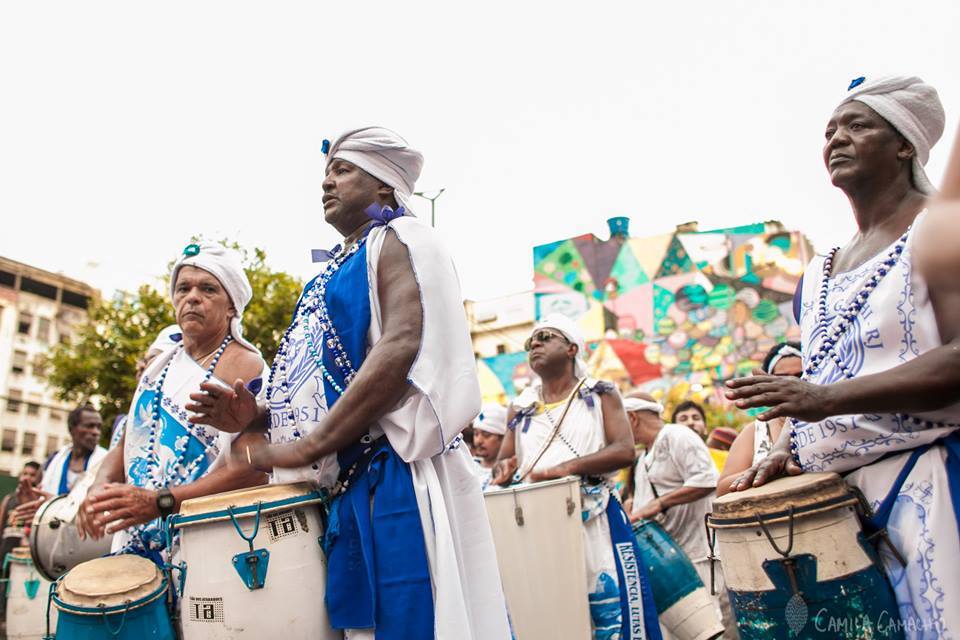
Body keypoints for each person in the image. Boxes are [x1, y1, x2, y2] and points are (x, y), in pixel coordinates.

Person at [188, 127, 512, 639]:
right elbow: (311, 385)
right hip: (346, 489)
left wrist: (311, 445)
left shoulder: (405, 238)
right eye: (325, 173)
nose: (326, 184)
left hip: (396, 478)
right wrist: (256, 417)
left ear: (384, 187)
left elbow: (402, 344)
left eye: (342, 171)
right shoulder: (325, 274)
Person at [725, 75, 959, 636]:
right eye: (830, 130)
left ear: (905, 144)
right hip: (836, 506)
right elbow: (829, 366)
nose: (836, 139)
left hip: (934, 487)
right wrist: (785, 444)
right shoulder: (819, 270)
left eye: (858, 125)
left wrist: (824, 399)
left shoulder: (943, 229)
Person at [76, 244, 268, 565]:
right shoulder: (160, 365)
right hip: (136, 536)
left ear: (232, 306)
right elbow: (126, 445)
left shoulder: (246, 365)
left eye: (208, 289)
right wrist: (98, 489)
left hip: (203, 545)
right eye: (183, 288)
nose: (192, 297)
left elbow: (253, 470)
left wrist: (160, 503)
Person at [492, 315, 662, 640]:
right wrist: (504, 470)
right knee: (547, 614)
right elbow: (504, 462)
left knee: (611, 614)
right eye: (531, 342)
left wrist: (565, 469)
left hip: (594, 520)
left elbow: (625, 450)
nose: (535, 344)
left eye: (545, 337)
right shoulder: (521, 406)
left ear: (571, 349)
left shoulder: (601, 393)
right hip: (538, 524)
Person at [625, 392, 736, 637]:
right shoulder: (643, 456)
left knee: (714, 628)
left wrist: (658, 505)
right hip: (675, 563)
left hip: (700, 556)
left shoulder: (675, 434)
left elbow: (707, 480)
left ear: (632, 418)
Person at [716, 342, 801, 496]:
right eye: (782, 378)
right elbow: (722, 489)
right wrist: (768, 470)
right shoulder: (755, 431)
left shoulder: (829, 420)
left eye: (799, 376)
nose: (791, 383)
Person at [471, 403, 507, 491]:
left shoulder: (511, 472)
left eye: (486, 435)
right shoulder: (468, 468)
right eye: (476, 434)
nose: (478, 441)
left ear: (503, 438)